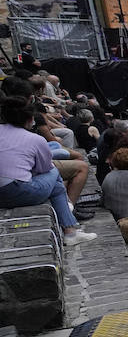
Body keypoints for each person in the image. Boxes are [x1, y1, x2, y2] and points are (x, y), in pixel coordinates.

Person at [0, 98, 95, 245]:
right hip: (17, 191)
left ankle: (70, 228)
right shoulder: (35, 139)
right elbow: (45, 169)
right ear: (30, 119)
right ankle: (69, 222)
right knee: (54, 173)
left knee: (55, 185)